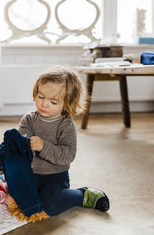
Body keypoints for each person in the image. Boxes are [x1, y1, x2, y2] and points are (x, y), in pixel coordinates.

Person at [18, 65, 110, 217]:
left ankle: (82, 195)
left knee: (50, 206)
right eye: (41, 97)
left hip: (55, 176)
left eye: (53, 102)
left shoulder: (65, 125)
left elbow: (67, 155)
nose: (44, 104)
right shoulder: (28, 119)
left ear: (66, 104)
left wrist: (43, 146)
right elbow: (18, 149)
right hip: (30, 173)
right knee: (19, 201)